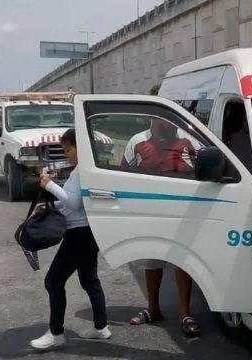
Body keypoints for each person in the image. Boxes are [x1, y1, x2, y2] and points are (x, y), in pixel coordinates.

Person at [121, 118, 202, 337]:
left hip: (184, 214)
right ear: (153, 120)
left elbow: (205, 172)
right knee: (151, 261)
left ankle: (185, 313)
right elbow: (122, 174)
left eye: (171, 123)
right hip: (151, 213)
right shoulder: (137, 142)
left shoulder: (189, 141)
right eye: (163, 123)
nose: (169, 126)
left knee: (183, 261)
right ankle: (153, 309)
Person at [30, 128, 111, 351]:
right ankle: (101, 327)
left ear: (81, 146)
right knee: (89, 280)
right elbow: (73, 203)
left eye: (69, 149)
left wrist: (49, 185)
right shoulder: (84, 169)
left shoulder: (81, 172)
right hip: (87, 232)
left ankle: (56, 333)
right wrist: (50, 206)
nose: (66, 154)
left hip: (79, 235)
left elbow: (74, 203)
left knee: (53, 281)